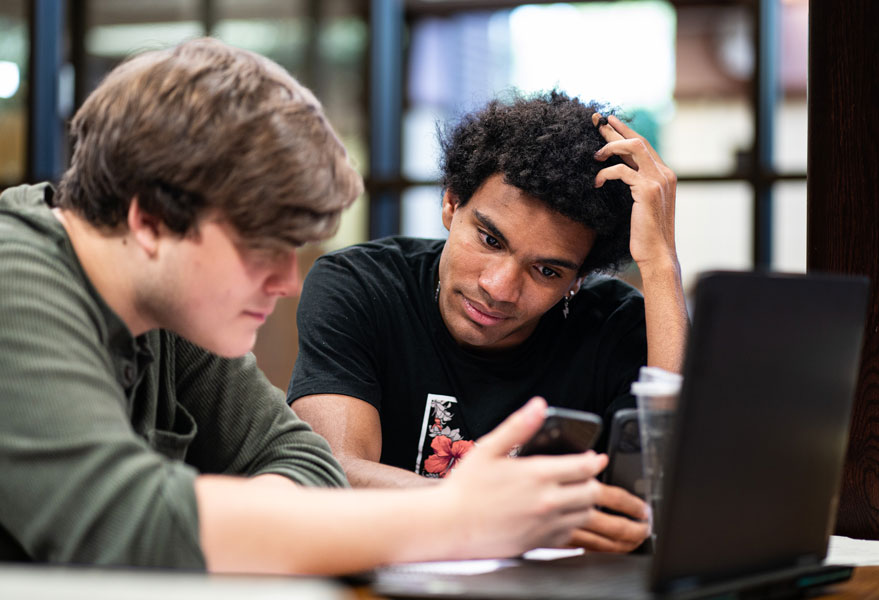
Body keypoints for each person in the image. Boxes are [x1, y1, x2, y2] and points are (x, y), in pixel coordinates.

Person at [0, 39, 608, 574]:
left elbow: (304, 463)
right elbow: (125, 525)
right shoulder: (14, 280)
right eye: (261, 248)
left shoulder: (167, 307)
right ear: (151, 221)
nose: (288, 282)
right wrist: (450, 517)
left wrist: (234, 524)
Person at [289, 91, 690, 553]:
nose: (499, 287)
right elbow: (331, 471)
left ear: (577, 281)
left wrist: (660, 265)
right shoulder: (362, 286)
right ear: (450, 204)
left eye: (547, 271)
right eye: (489, 239)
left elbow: (672, 480)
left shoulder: (614, 326)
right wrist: (497, 515)